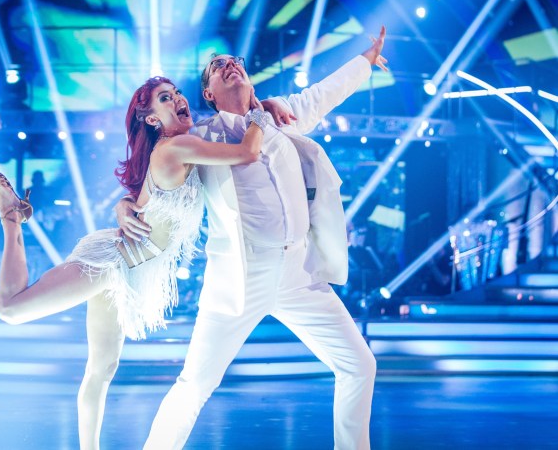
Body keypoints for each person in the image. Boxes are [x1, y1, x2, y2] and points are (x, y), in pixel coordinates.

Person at [116, 27, 389, 449]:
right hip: (240, 277)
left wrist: (365, 62)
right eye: (218, 67)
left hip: (299, 272)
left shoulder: (281, 116)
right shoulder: (200, 137)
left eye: (235, 62)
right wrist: (125, 205)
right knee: (194, 383)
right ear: (208, 93)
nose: (230, 66)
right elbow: (156, 180)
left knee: (359, 365)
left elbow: (325, 93)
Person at [0, 76, 268, 450]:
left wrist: (123, 205)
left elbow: (140, 201)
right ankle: (11, 219)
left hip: (128, 274)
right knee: (10, 310)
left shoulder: (183, 144)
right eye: (165, 98)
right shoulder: (176, 147)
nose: (179, 99)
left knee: (102, 369)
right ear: (152, 119)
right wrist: (260, 112)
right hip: (109, 262)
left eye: (178, 94)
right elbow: (248, 152)